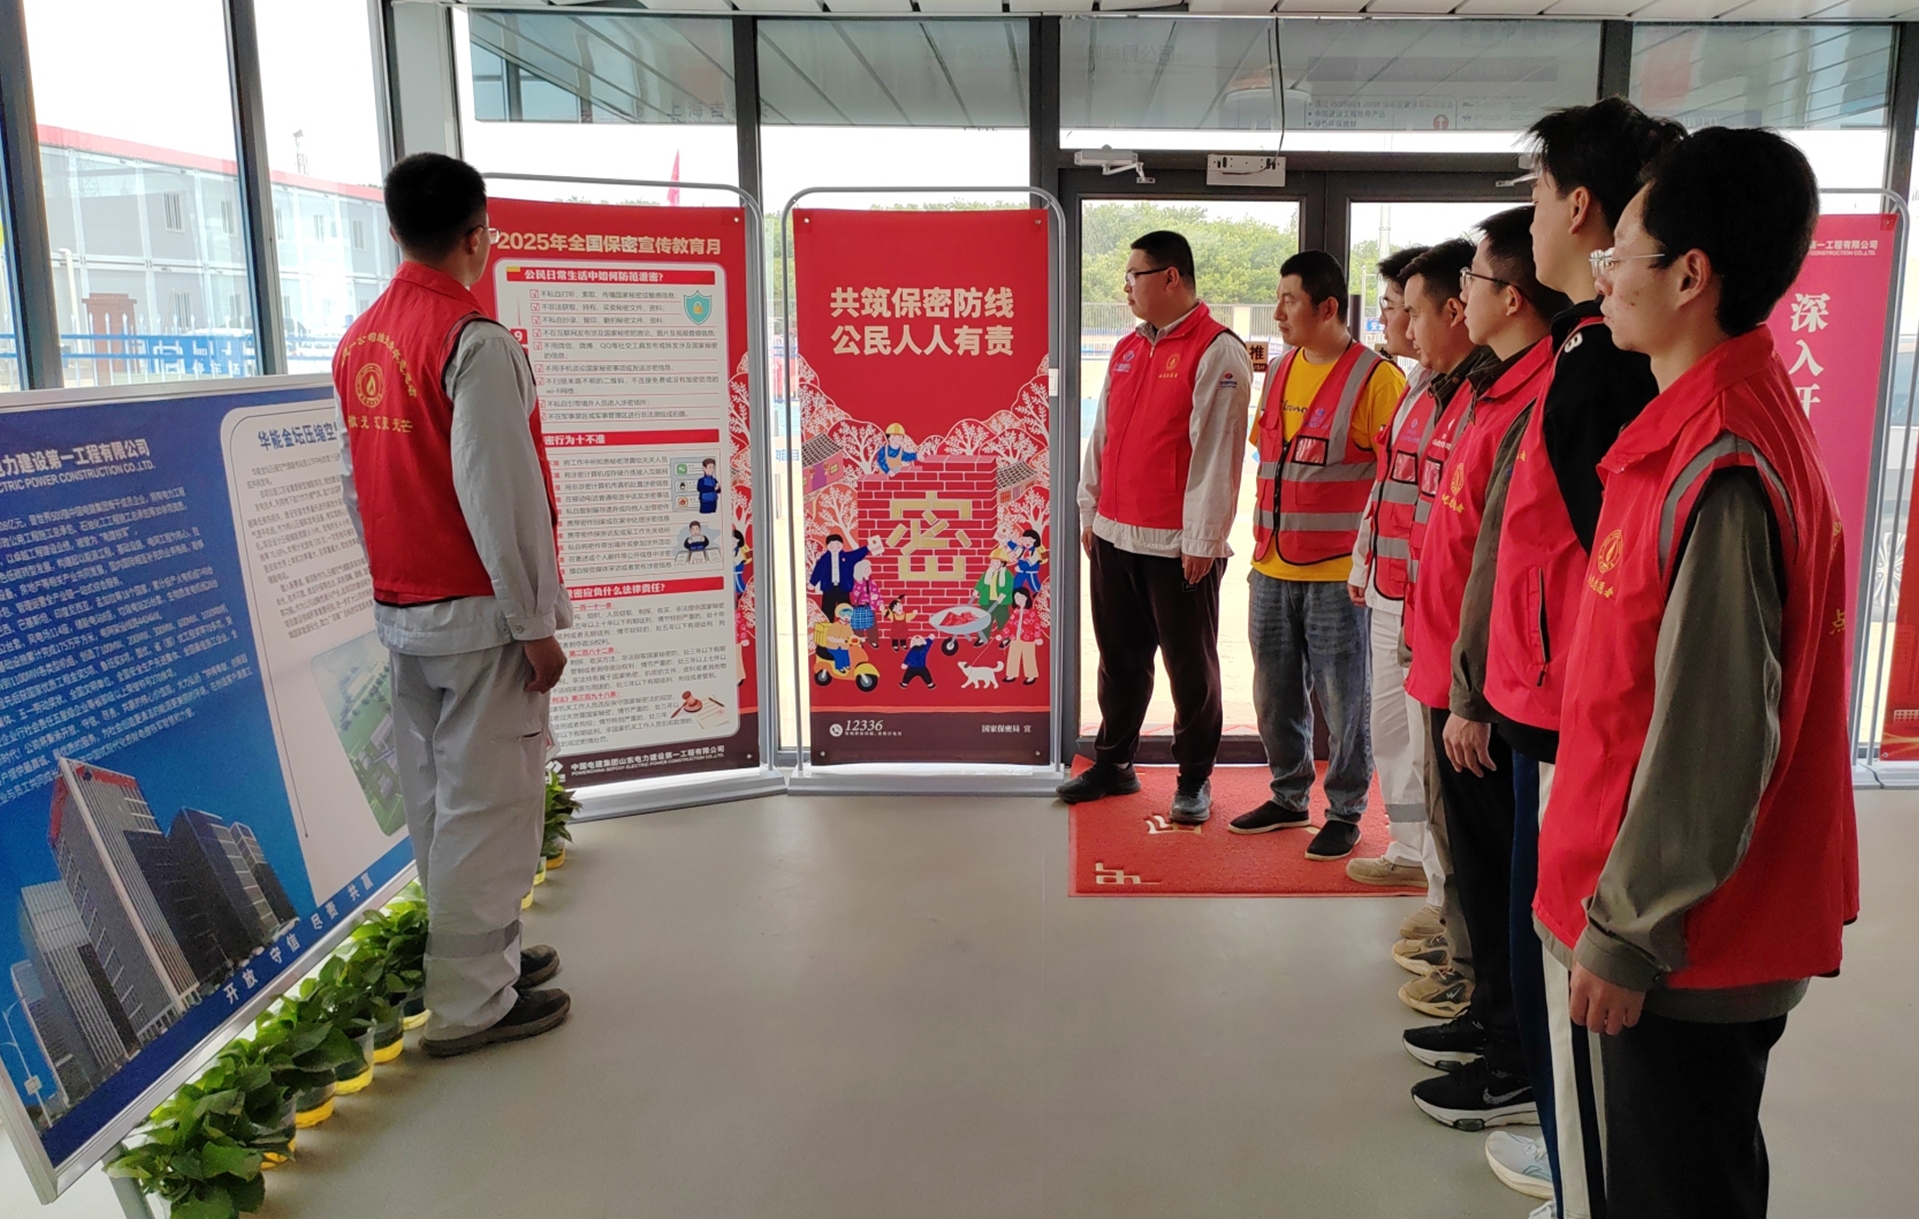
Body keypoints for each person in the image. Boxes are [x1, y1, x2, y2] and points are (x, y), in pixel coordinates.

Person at [1536, 127, 1856, 1219]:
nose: (1600, 274)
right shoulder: (1698, 425)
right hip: (1676, 926)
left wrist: (1627, 932)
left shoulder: (1720, 458)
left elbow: (1712, 735)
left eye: (1619, 251)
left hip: (1679, 944)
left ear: (1690, 275)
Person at [1480, 100, 1685, 1219]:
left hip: (1573, 716)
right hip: (1539, 696)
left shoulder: (1604, 364)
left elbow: (1619, 580)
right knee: (1538, 955)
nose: (1529, 219)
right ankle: (1570, 1164)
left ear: (1576, 206)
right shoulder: (1581, 349)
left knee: (1564, 969)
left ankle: (1581, 1183)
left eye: (1535, 192)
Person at [331, 152, 569, 1058]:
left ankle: (485, 962)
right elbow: (501, 496)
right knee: (491, 806)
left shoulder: (360, 340)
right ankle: (472, 1004)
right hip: (478, 618)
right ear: (478, 235)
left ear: (395, 231)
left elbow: (356, 488)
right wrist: (535, 624)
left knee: (439, 800)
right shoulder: (472, 341)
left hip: (406, 610)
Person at [1402, 207, 1569, 1132]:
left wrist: (1469, 692)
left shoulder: (1545, 396)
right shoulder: (1489, 389)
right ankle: (1489, 1017)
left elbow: (1505, 563)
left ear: (1510, 297)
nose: (1457, 297)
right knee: (1477, 866)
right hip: (1449, 668)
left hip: (1486, 687)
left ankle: (1511, 1059)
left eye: (1469, 281)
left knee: (1504, 876)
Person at [1060, 230, 1253, 824]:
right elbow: (1102, 436)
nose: (1126, 288)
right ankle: (1114, 763)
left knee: (1190, 670)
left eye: (1134, 276)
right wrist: (1090, 509)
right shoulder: (1126, 348)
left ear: (1171, 277)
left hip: (1176, 547)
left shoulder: (1217, 350)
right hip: (1114, 535)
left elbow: (1217, 453)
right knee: (1119, 661)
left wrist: (1202, 540)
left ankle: (1193, 779)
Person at [1231, 251, 1406, 861]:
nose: (1278, 312)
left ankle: (1346, 809)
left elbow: (1394, 481)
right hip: (1271, 566)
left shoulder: (1377, 380)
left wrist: (1372, 566)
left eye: (1289, 300)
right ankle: (1288, 795)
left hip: (1338, 575)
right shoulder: (1280, 371)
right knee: (1274, 695)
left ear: (1327, 307)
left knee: (1345, 700)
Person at [1384, 238, 1494, 1023]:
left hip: (1463, 645)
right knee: (1440, 798)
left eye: (1411, 309)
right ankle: (1455, 932)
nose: (1405, 325)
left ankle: (1473, 970)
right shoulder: (1436, 390)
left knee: (1468, 818)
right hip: (1423, 617)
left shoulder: (1492, 398)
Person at [1344, 244, 1448, 906]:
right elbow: (1388, 483)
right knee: (1388, 727)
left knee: (1424, 738)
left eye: (1396, 305)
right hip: (1387, 587)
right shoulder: (1412, 382)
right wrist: (1362, 556)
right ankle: (1408, 849)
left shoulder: (1458, 391)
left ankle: (1438, 879)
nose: (1387, 317)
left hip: (1423, 596)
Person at [809, 532, 873, 622]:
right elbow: (818, 570)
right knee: (827, 609)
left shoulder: (847, 557)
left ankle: (847, 627)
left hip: (843, 587)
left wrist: (868, 548)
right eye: (832, 546)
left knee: (846, 608)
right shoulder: (824, 559)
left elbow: (857, 554)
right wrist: (813, 582)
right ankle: (827, 627)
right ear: (827, 546)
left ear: (842, 545)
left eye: (837, 545)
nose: (835, 548)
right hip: (828, 588)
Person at [1004, 586, 1042, 685]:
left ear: (1026, 597)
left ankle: (1031, 675)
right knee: (1013, 656)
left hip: (1029, 639)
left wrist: (1038, 637)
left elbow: (1036, 625)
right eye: (1017, 598)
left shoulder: (1031, 612)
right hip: (1015, 638)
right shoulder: (1016, 612)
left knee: (1029, 656)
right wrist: (1003, 635)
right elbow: (1010, 624)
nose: (1019, 599)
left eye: (1021, 597)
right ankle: (1011, 674)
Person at [975, 557, 1014, 636]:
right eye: (992, 562)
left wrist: (1002, 595)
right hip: (987, 600)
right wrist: (976, 590)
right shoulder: (988, 572)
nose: (994, 564)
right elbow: (982, 582)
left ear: (1002, 563)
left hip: (1001, 602)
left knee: (1002, 619)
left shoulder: (1006, 573)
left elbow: (1008, 586)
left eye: (996, 562)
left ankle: (1005, 636)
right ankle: (982, 637)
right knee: (985, 618)